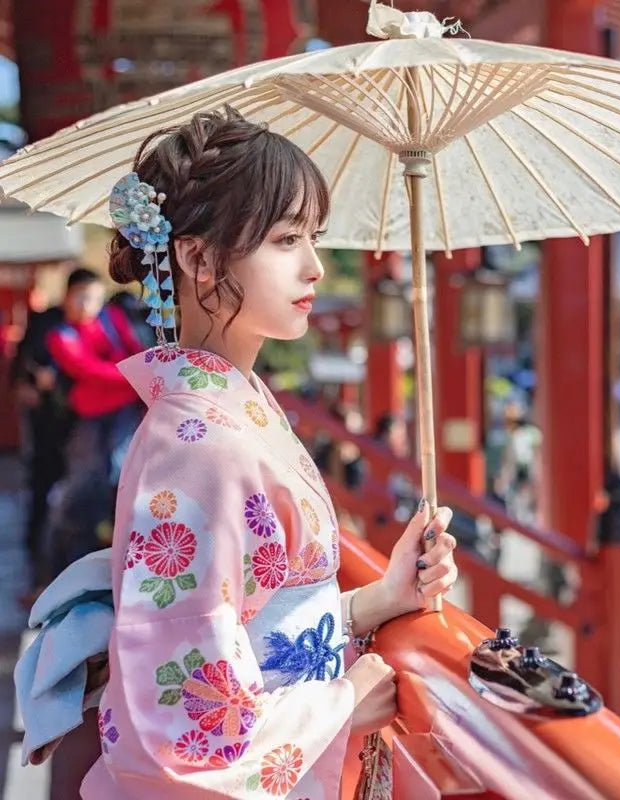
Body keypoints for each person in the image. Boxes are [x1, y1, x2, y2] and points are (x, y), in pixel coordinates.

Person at [75, 108, 458, 798]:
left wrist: (381, 598)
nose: (314, 265)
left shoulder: (230, 408)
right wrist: (340, 704)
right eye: (286, 239)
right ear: (196, 257)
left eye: (312, 236)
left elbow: (257, 628)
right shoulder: (202, 446)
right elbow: (182, 727)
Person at [43, 268, 145, 583]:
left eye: (95, 298)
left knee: (124, 480)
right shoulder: (61, 336)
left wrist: (135, 371)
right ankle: (71, 568)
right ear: (67, 297)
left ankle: (124, 561)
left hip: (125, 414)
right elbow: (89, 370)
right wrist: (134, 375)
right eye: (82, 297)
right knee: (84, 490)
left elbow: (135, 352)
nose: (89, 304)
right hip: (88, 422)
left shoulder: (112, 319)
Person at [11, 287, 72, 590]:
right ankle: (37, 570)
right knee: (42, 492)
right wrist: (28, 383)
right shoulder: (46, 323)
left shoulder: (95, 326)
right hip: (46, 428)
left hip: (76, 427)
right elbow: (21, 368)